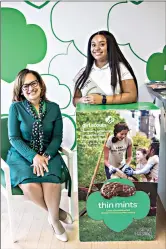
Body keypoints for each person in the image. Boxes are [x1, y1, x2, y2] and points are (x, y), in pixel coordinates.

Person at [6, 69, 72, 242]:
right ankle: (56, 214)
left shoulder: (54, 108)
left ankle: (54, 219)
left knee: (52, 182)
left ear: (41, 84)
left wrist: (46, 155)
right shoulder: (15, 108)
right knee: (30, 187)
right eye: (25, 86)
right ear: (20, 90)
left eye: (33, 83)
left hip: (48, 153)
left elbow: (57, 137)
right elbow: (14, 138)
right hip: (22, 155)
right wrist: (34, 157)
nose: (30, 88)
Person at [73, 30, 138, 106]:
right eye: (93, 45)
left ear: (110, 47)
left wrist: (103, 99)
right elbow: (75, 100)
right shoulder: (83, 72)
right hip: (88, 117)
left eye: (102, 44)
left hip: (115, 116)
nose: (96, 48)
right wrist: (81, 100)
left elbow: (132, 96)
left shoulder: (121, 68)